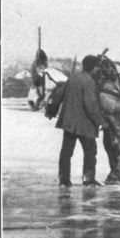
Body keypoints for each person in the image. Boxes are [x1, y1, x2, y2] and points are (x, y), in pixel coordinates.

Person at [45, 54, 108, 187]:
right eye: (97, 67)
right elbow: (90, 106)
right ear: (92, 67)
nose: (99, 70)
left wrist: (52, 110)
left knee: (66, 152)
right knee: (90, 151)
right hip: (84, 125)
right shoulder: (89, 82)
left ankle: (64, 179)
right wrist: (103, 122)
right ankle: (88, 179)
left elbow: (58, 95)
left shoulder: (72, 77)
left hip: (68, 123)